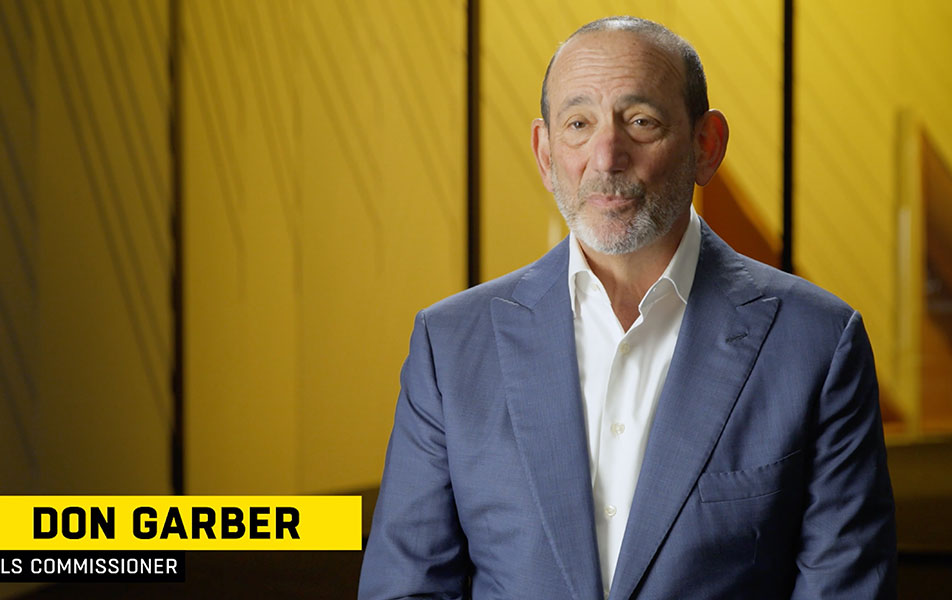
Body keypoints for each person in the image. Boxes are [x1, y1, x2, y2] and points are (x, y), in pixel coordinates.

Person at [359, 15, 896, 600]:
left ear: (705, 145)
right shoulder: (450, 346)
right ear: (545, 152)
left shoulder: (817, 343)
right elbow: (406, 587)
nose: (606, 155)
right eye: (579, 124)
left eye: (641, 122)